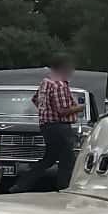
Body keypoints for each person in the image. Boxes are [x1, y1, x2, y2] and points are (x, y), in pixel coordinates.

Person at [13, 54, 80, 193]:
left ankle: (21, 185)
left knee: (49, 158)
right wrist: (80, 107)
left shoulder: (46, 82)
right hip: (59, 126)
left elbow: (35, 99)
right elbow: (62, 111)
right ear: (62, 68)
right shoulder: (59, 84)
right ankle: (64, 189)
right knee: (68, 160)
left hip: (46, 126)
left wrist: (46, 112)